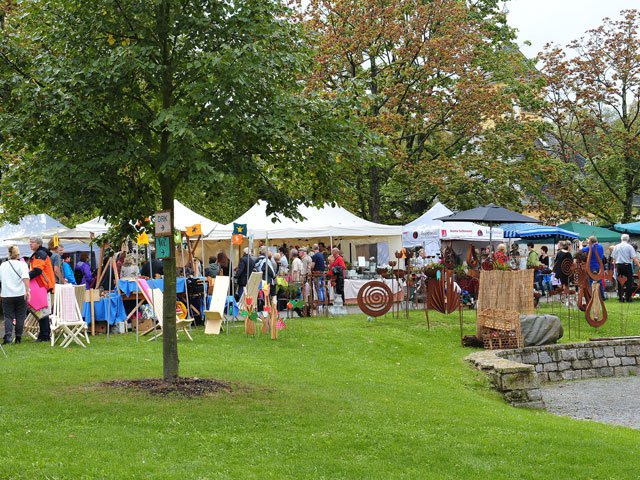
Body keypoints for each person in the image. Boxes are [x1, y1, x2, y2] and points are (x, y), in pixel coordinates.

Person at [1, 245, 31, 345]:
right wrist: (27, 290)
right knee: (20, 316)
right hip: (20, 293)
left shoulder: (3, 265)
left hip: (6, 294)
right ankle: (18, 337)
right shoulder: (22, 265)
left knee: (8, 316)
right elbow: (26, 278)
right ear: (18, 254)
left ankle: (8, 336)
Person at [29, 236, 55, 342]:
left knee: (44, 311)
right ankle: (43, 334)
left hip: (44, 286)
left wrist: (25, 277)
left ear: (39, 244)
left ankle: (45, 335)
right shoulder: (39, 254)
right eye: (30, 242)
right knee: (42, 311)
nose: (30, 244)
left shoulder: (40, 254)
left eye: (32, 242)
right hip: (42, 286)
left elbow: (38, 270)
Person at [612, 234, 639, 303]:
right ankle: (628, 298)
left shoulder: (616, 247)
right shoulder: (630, 247)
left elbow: (613, 259)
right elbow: (634, 258)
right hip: (627, 265)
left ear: (621, 239)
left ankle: (621, 298)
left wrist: (615, 267)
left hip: (618, 265)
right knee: (629, 282)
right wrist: (639, 265)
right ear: (628, 239)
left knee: (620, 281)